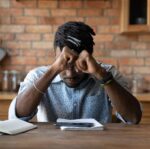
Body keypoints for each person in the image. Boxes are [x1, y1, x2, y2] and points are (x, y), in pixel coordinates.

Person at [9, 21, 142, 124]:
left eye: (79, 64)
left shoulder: (107, 74)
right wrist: (54, 70)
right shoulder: (38, 76)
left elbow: (134, 118)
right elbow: (17, 117)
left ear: (89, 56)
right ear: (55, 57)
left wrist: (101, 75)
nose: (70, 73)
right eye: (64, 62)